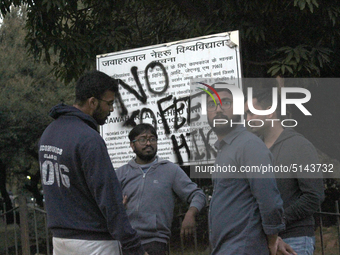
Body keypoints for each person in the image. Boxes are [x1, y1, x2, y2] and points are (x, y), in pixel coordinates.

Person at [38, 70, 146, 255]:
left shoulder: (48, 133)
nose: (111, 109)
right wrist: (133, 246)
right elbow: (108, 197)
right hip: (94, 243)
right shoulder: (89, 139)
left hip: (60, 241)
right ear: (92, 102)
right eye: (109, 103)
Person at [205, 85, 286, 255]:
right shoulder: (225, 148)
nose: (218, 109)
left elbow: (269, 198)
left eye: (225, 103)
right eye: (212, 105)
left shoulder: (249, 145)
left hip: (243, 247)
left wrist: (272, 239)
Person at [245, 86, 325, 255]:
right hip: (260, 240)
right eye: (246, 114)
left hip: (294, 239)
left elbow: (314, 196)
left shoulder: (299, 146)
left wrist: (277, 221)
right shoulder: (253, 150)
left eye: (251, 113)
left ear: (270, 112)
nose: (247, 118)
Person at [116, 123, 207, 255]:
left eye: (152, 139)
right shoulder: (121, 173)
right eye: (143, 139)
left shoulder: (171, 170)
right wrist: (118, 207)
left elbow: (198, 195)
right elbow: (107, 204)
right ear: (132, 145)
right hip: (125, 242)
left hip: (155, 243)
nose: (148, 143)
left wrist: (190, 214)